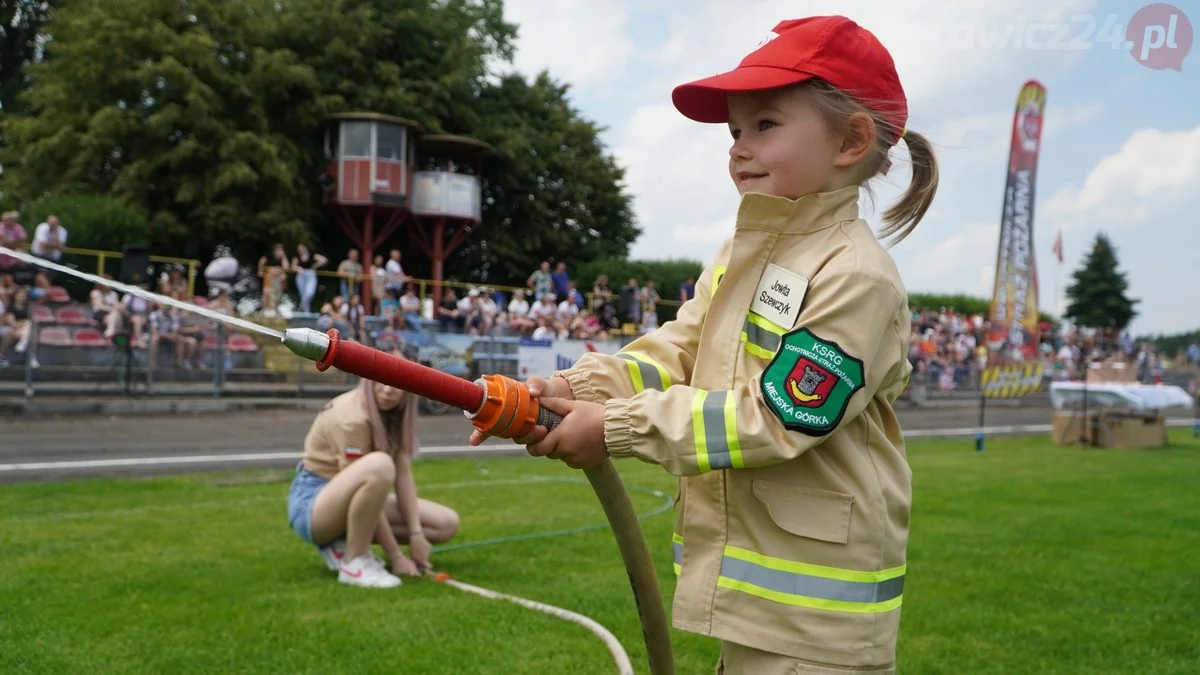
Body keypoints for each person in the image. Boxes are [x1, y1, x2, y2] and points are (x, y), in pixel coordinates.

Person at [470, 16, 937, 675]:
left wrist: (616, 428)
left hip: (816, 631)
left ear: (851, 139)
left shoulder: (855, 274)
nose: (739, 148)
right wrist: (580, 387)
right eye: (735, 131)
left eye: (765, 125)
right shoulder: (742, 253)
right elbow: (678, 350)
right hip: (758, 615)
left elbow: (775, 417)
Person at [288, 372, 461, 588]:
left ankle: (339, 543)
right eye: (382, 380)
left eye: (397, 384)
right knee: (379, 465)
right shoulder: (350, 418)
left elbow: (403, 475)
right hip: (312, 506)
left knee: (445, 524)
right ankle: (355, 562)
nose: (388, 390)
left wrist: (416, 534)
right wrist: (396, 556)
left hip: (344, 499)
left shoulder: (393, 413)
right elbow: (366, 489)